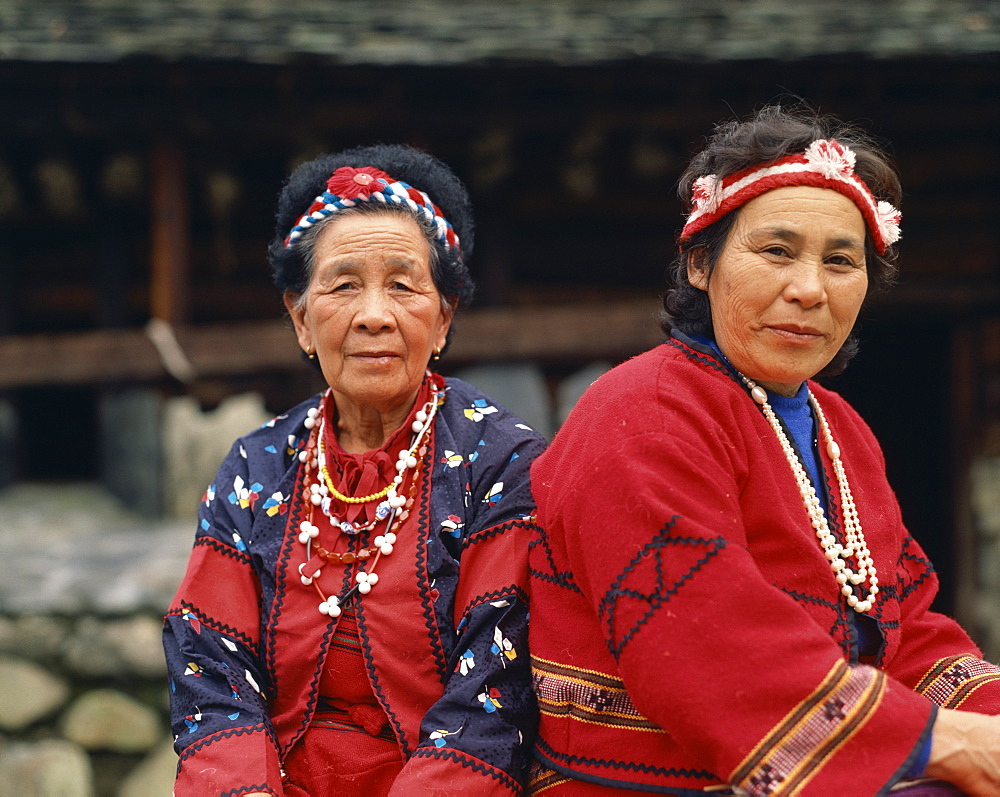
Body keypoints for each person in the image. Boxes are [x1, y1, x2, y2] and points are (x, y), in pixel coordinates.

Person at [527, 105, 1000, 796]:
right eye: (777, 251)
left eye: (841, 260)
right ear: (699, 263)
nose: (809, 288)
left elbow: (908, 623)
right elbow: (706, 639)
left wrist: (984, 714)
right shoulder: (642, 412)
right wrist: (939, 739)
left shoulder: (840, 430)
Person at [164, 144, 545, 795]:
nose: (374, 313)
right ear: (301, 318)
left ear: (444, 316)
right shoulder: (256, 464)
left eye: (403, 284)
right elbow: (210, 658)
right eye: (343, 285)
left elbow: (496, 690)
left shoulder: (500, 463)